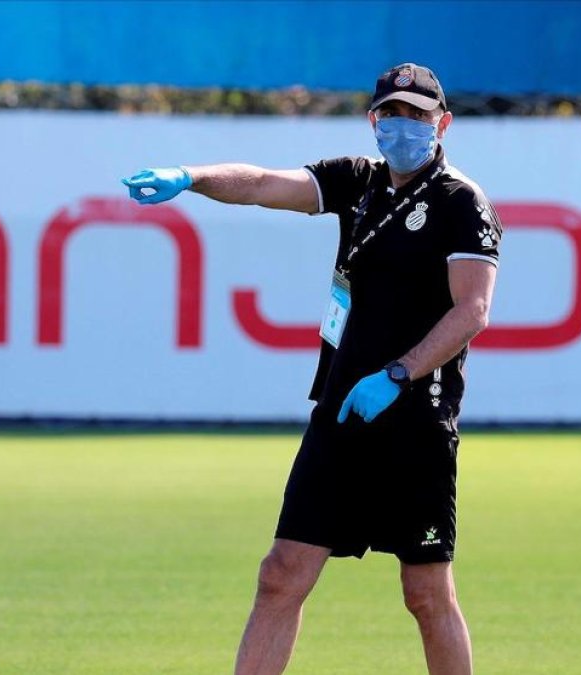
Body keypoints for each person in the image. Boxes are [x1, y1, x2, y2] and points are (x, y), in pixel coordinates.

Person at [121, 63, 500, 675]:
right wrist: (190, 177)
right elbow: (262, 184)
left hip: (413, 420)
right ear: (374, 120)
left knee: (426, 594)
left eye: (417, 116)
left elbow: (473, 309)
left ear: (443, 124)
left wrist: (398, 375)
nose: (403, 127)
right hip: (343, 413)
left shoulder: (462, 203)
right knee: (281, 574)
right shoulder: (358, 181)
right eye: (392, 115)